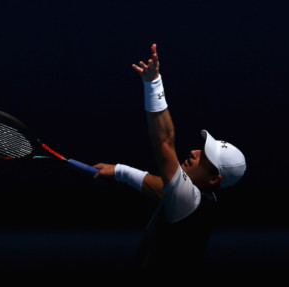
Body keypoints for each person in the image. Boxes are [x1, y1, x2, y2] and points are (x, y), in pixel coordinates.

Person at [94, 43, 247, 268]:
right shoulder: (202, 200)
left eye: (204, 156)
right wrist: (120, 172)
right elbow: (162, 188)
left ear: (214, 178)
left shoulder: (187, 198)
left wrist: (153, 83)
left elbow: (163, 142)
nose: (194, 152)